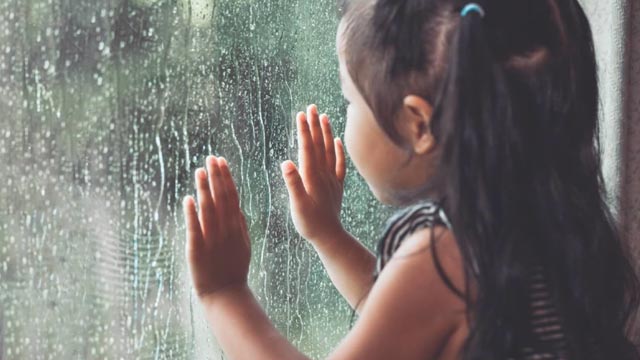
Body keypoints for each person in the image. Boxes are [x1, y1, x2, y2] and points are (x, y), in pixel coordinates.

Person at [181, 0, 640, 358]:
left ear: (418, 125)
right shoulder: (531, 228)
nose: (348, 118)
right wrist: (328, 235)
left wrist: (224, 293)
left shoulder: (449, 253)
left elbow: (411, 312)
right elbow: (405, 326)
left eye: (350, 103)